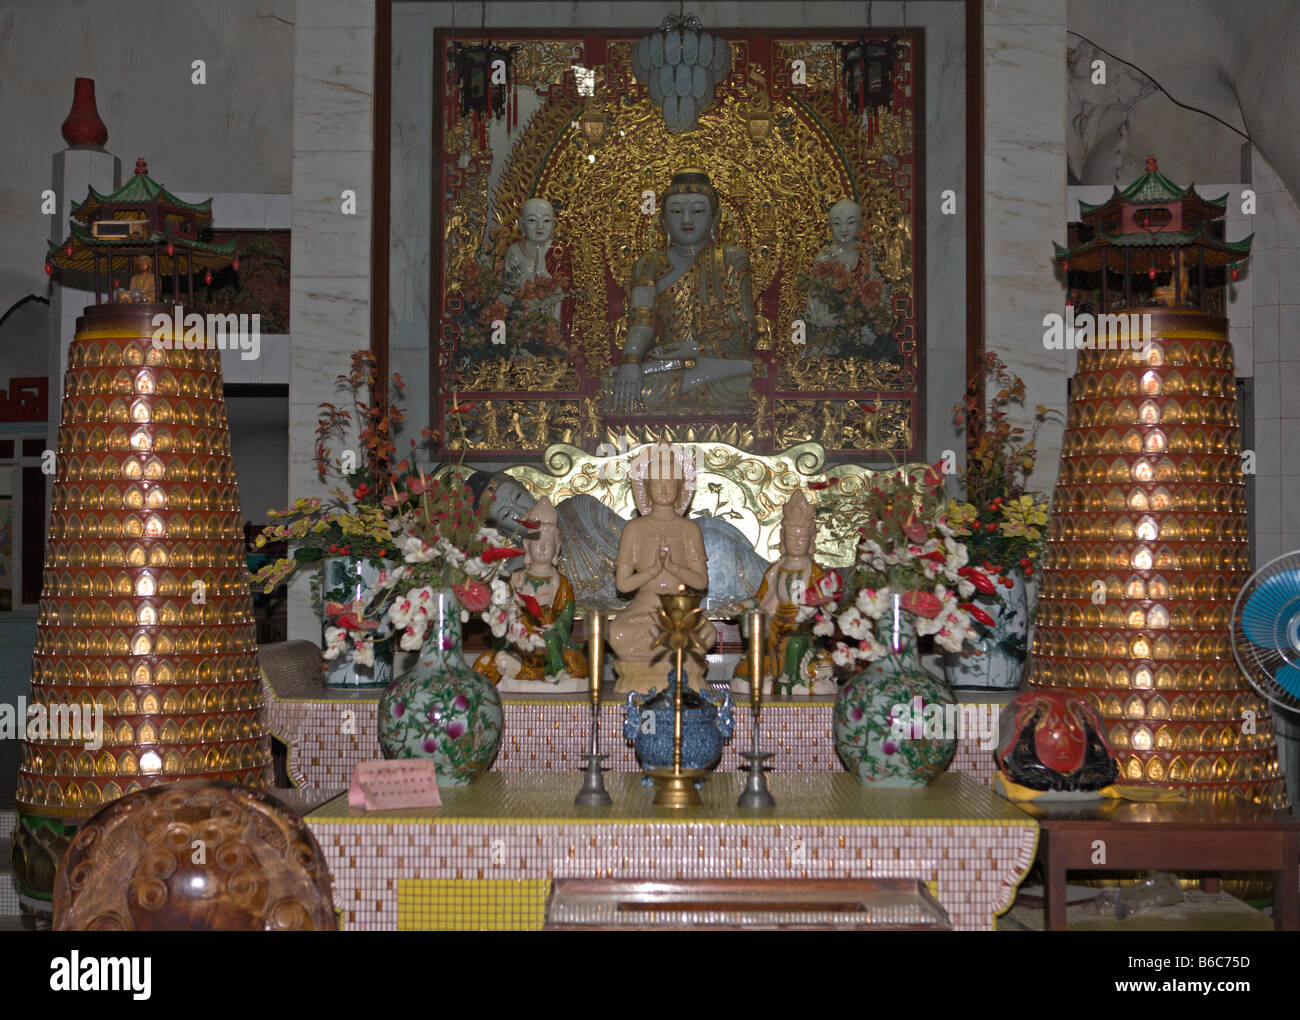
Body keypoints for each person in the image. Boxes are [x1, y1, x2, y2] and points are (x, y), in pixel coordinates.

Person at [464, 468, 770, 612]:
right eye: (506, 513)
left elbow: (630, 538)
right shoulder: (519, 566)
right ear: (500, 527)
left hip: (675, 559)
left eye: (518, 496)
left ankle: (792, 587)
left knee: (729, 555)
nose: (520, 509)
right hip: (642, 600)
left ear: (524, 486)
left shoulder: (578, 508)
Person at [606, 169, 758, 413]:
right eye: (676, 212)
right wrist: (631, 362)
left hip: (719, 367)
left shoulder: (732, 258)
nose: (687, 220)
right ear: (664, 220)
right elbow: (640, 325)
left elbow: (746, 331)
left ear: (715, 219)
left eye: (698, 211)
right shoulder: (648, 264)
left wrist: (696, 349)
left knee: (754, 382)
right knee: (612, 389)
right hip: (667, 365)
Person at [606, 442, 718, 665]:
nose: (664, 488)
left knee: (708, 634)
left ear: (681, 487)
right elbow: (623, 585)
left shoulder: (688, 529)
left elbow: (701, 581)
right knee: (616, 634)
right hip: (644, 609)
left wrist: (674, 567)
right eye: (657, 483)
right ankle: (670, 649)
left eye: (670, 483)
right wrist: (653, 570)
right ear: (645, 487)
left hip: (679, 612)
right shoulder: (635, 529)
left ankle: (662, 648)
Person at [474, 497, 587, 690]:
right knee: (498, 658)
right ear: (526, 546)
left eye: (548, 544)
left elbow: (567, 615)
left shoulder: (562, 584)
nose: (542, 548)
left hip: (549, 642)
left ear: (556, 548)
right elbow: (506, 612)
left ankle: (552, 672)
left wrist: (555, 625)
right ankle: (524, 670)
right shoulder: (517, 579)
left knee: (553, 643)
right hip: (520, 641)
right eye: (537, 543)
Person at [734, 490, 835, 695]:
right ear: (782, 537)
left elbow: (824, 608)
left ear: (812, 539)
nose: (797, 542)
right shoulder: (776, 570)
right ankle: (760, 672)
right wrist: (741, 606)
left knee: (796, 642)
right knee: (753, 625)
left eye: (802, 538)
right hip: (775, 624)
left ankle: (791, 679)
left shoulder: (815, 573)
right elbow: (761, 599)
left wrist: (806, 615)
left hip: (803, 627)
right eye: (791, 537)